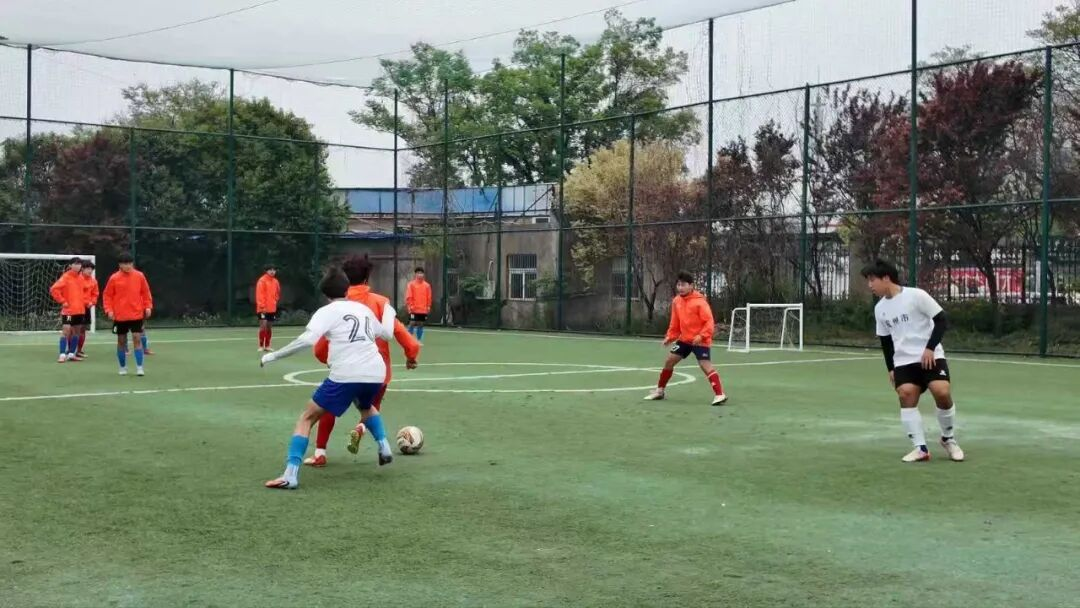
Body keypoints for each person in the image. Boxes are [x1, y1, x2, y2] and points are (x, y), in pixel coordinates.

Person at [260, 267, 396, 490]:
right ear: (347, 289)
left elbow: (307, 340)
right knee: (365, 405)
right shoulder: (363, 309)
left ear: (325, 293)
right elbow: (387, 334)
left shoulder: (327, 312)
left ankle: (290, 475)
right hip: (376, 372)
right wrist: (389, 311)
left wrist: (273, 355)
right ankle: (384, 445)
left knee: (306, 418)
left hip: (347, 373)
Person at [304, 254, 420, 467]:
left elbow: (320, 346)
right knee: (371, 408)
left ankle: (320, 453)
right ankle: (364, 430)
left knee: (327, 408)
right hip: (377, 372)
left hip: (346, 370)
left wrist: (328, 360)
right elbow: (401, 334)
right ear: (367, 278)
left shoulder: (339, 306)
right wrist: (411, 356)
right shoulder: (380, 303)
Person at [862, 259, 964, 463]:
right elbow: (886, 342)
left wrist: (930, 348)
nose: (870, 285)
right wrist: (891, 368)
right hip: (903, 361)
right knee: (906, 394)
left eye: (872, 280)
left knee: (942, 392)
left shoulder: (916, 296)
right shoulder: (880, 308)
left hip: (930, 355)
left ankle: (948, 439)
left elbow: (941, 320)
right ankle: (920, 448)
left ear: (886, 278)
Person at [644, 272, 727, 405]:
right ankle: (659, 391)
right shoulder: (677, 301)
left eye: (683, 285)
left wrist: (701, 336)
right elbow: (675, 323)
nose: (680, 288)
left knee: (705, 365)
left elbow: (709, 322)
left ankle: (719, 394)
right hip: (684, 340)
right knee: (669, 361)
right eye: (678, 285)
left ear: (691, 286)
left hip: (700, 340)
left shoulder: (700, 302)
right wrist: (670, 337)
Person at [102, 253, 153, 377]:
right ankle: (122, 367)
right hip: (120, 316)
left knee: (137, 338)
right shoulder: (114, 278)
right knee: (121, 341)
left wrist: (148, 306)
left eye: (130, 263)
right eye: (125, 263)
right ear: (120, 264)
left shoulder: (139, 276)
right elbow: (107, 295)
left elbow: (146, 292)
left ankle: (139, 367)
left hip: (136, 314)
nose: (128, 266)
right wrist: (109, 310)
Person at [49, 257, 86, 363]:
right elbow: (54, 289)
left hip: (80, 310)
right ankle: (62, 354)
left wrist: (87, 301)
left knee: (76, 332)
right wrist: (62, 301)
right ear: (70, 265)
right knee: (66, 330)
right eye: (75, 264)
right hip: (69, 311)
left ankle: (71, 354)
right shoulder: (66, 277)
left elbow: (84, 292)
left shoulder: (81, 277)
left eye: (79, 264)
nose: (78, 266)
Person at [75, 260, 98, 359]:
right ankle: (70, 350)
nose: (90, 271)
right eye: (88, 268)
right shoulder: (76, 279)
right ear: (82, 269)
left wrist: (92, 302)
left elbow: (95, 294)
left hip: (86, 308)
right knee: (72, 329)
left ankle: (79, 350)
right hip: (75, 307)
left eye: (91, 269)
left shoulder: (93, 281)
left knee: (82, 329)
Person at [256, 264, 281, 352]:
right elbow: (259, 294)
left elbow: (278, 293)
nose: (272, 271)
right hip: (262, 309)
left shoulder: (276, 281)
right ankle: (261, 346)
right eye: (270, 270)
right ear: (266, 271)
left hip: (272, 308)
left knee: (269, 327)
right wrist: (262, 306)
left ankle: (267, 345)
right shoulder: (262, 281)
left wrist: (275, 301)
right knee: (263, 326)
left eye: (274, 270)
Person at [405, 267, 432, 344]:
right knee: (412, 323)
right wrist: (410, 306)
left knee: (421, 324)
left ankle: (418, 340)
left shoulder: (427, 286)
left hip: (423, 309)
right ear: (415, 274)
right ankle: (409, 340)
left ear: (423, 274)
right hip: (414, 308)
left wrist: (428, 306)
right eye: (418, 273)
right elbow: (409, 296)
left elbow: (429, 297)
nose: (420, 275)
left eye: (421, 273)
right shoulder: (411, 284)